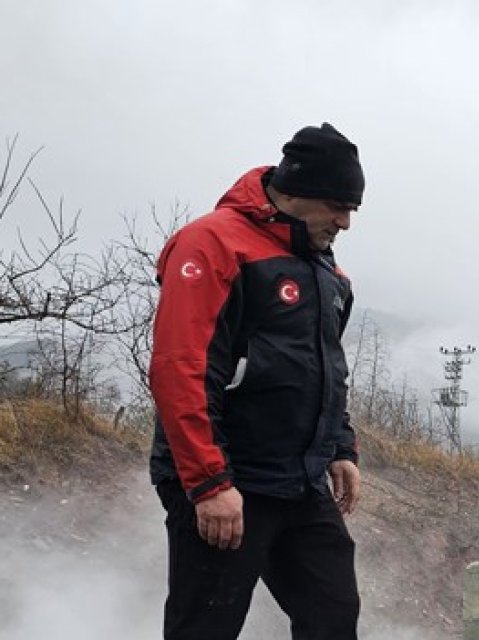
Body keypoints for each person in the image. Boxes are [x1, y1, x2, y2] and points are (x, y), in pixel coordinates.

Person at [149, 122, 366, 639]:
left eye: (352, 209)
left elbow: (325, 365)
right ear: (295, 191)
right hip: (229, 480)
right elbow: (182, 369)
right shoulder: (213, 243)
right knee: (206, 626)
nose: (345, 222)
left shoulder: (324, 270)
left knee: (333, 618)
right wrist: (208, 484)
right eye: (338, 205)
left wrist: (339, 445)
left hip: (300, 481)